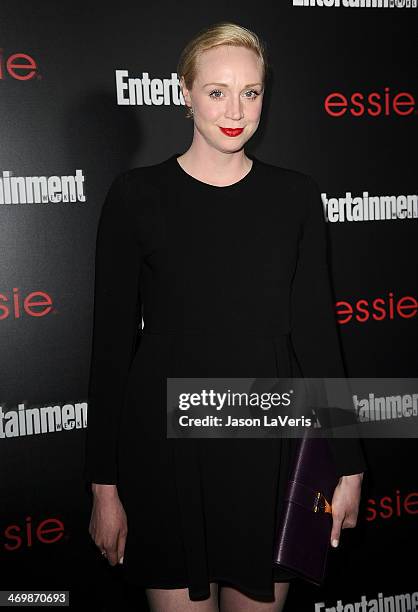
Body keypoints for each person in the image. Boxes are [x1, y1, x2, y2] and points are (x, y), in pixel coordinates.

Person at [84, 21, 367, 612]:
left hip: (270, 445)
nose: (236, 109)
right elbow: (110, 349)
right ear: (184, 94)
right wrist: (104, 489)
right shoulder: (136, 195)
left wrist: (349, 464)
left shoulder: (295, 196)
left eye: (251, 92)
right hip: (163, 450)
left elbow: (318, 333)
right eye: (217, 92)